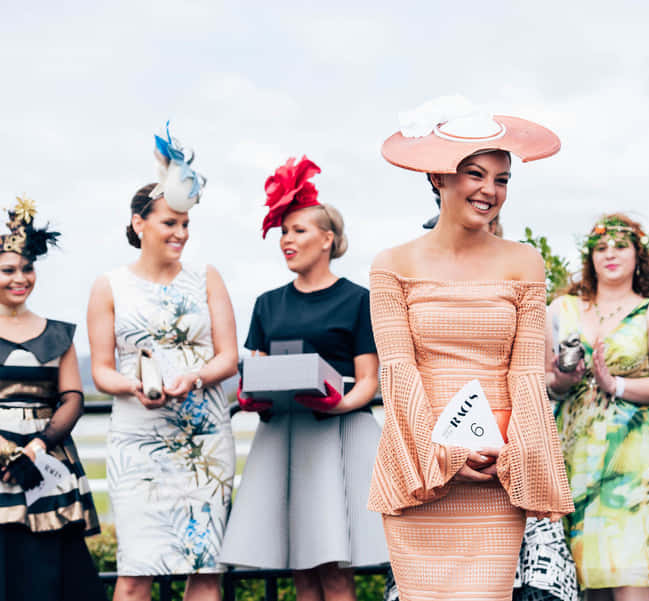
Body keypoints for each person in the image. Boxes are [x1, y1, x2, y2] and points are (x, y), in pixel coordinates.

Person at [369, 96, 574, 601]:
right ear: (437, 178)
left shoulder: (524, 263)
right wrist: (443, 455)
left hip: (495, 467)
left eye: (502, 178)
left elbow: (527, 375)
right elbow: (398, 372)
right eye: (475, 174)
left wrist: (508, 453)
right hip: (420, 467)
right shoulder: (391, 264)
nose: (490, 190)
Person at [219, 156, 387, 601]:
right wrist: (251, 397)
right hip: (283, 436)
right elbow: (252, 370)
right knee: (299, 567)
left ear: (327, 239)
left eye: (298, 231)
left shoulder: (357, 299)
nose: (286, 240)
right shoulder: (267, 303)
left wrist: (340, 404)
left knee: (332, 568)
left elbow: (369, 379)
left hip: (337, 433)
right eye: (283, 232)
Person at [87, 126, 237, 601]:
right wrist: (133, 387)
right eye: (169, 222)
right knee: (135, 574)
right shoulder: (108, 285)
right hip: (138, 442)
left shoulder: (206, 277)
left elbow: (229, 357)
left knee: (205, 570)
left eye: (185, 224)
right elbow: (103, 371)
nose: (180, 233)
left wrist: (197, 375)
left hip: (205, 439)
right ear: (139, 223)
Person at [548, 214, 649, 600]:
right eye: (601, 247)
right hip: (575, 458)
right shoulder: (561, 309)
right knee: (588, 581)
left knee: (631, 576)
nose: (610, 254)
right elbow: (539, 379)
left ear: (639, 256)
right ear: (589, 257)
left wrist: (616, 384)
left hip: (635, 465)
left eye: (621, 246)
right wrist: (561, 379)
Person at [0, 197, 104, 601]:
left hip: (47, 463)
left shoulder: (57, 333)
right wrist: (7, 452)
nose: (19, 278)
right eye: (8, 269)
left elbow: (73, 397)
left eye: (27, 268)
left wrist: (37, 446)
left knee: (51, 570)